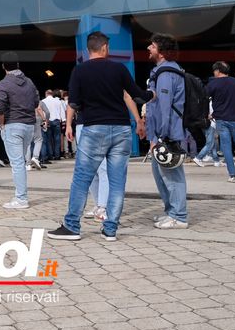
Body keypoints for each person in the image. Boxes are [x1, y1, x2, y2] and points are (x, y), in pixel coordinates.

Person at [47, 32, 144, 242]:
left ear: (88, 50)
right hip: (121, 128)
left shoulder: (80, 71)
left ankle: (72, 226)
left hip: (94, 129)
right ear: (105, 48)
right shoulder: (119, 69)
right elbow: (136, 93)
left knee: (82, 178)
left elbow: (74, 102)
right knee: (117, 181)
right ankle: (110, 229)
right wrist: (151, 97)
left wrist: (71, 122)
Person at [145, 33, 189, 229]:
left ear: (161, 52)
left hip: (167, 133)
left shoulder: (165, 74)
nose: (148, 48)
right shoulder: (162, 71)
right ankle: (171, 211)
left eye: (152, 46)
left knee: (172, 176)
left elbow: (164, 107)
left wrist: (159, 136)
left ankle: (179, 216)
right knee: (160, 174)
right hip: (162, 133)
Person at [0, 52, 39, 209]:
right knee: (21, 161)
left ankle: (21, 198)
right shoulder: (30, 82)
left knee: (17, 163)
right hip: (29, 125)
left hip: (13, 125)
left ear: (3, 66)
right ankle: (20, 194)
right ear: (18, 65)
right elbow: (35, 102)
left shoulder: (3, 84)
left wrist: (2, 126)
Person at [205, 62, 235, 183]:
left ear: (218, 71)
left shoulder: (212, 84)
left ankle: (232, 176)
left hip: (221, 119)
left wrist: (207, 114)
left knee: (226, 147)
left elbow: (204, 99)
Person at [41, 89, 63, 163]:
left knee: (48, 139)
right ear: (52, 94)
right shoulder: (58, 101)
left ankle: (50, 155)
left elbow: (44, 112)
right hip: (56, 120)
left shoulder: (43, 101)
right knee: (57, 139)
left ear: (46, 94)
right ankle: (57, 155)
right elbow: (61, 111)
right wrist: (63, 120)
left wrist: (44, 121)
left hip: (48, 121)